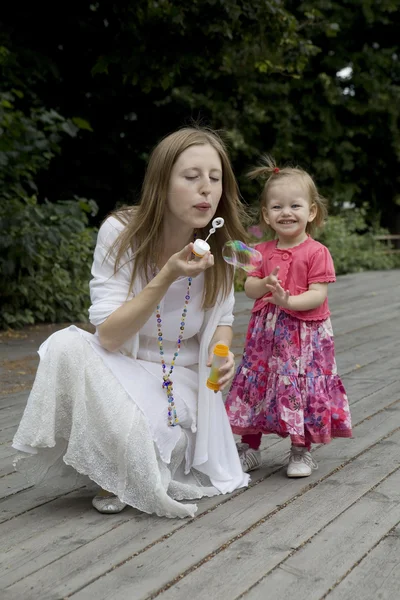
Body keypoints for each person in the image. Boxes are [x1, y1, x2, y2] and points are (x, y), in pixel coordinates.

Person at [12, 126, 250, 518]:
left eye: (215, 178)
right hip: (120, 368)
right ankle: (119, 468)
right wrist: (167, 275)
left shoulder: (219, 249)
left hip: (180, 381)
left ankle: (125, 466)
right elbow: (107, 336)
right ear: (161, 183)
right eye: (191, 177)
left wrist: (221, 356)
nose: (206, 188)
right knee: (65, 344)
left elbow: (221, 321)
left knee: (152, 442)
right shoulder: (121, 233)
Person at [225, 157, 352, 477]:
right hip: (266, 338)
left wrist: (288, 300)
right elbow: (250, 287)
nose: (286, 213)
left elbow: (318, 293)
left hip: (304, 337)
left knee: (300, 387)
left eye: (295, 206)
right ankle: (249, 447)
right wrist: (264, 284)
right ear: (266, 215)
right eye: (277, 207)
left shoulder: (316, 252)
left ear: (311, 212)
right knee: (258, 384)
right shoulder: (261, 251)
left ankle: (300, 450)